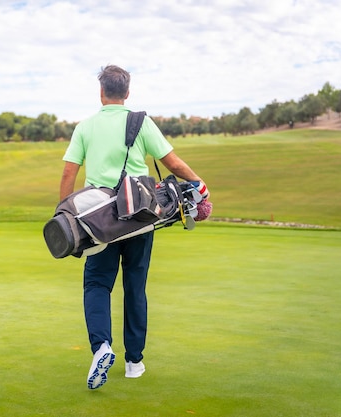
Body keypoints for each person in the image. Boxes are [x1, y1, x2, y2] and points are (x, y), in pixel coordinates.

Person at [60, 64, 209, 390]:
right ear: (127, 92)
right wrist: (199, 183)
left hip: (98, 222)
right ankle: (134, 363)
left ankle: (101, 347)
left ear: (101, 93)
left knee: (97, 285)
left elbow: (69, 174)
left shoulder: (86, 127)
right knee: (135, 287)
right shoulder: (142, 122)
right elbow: (172, 163)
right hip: (140, 218)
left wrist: (65, 215)